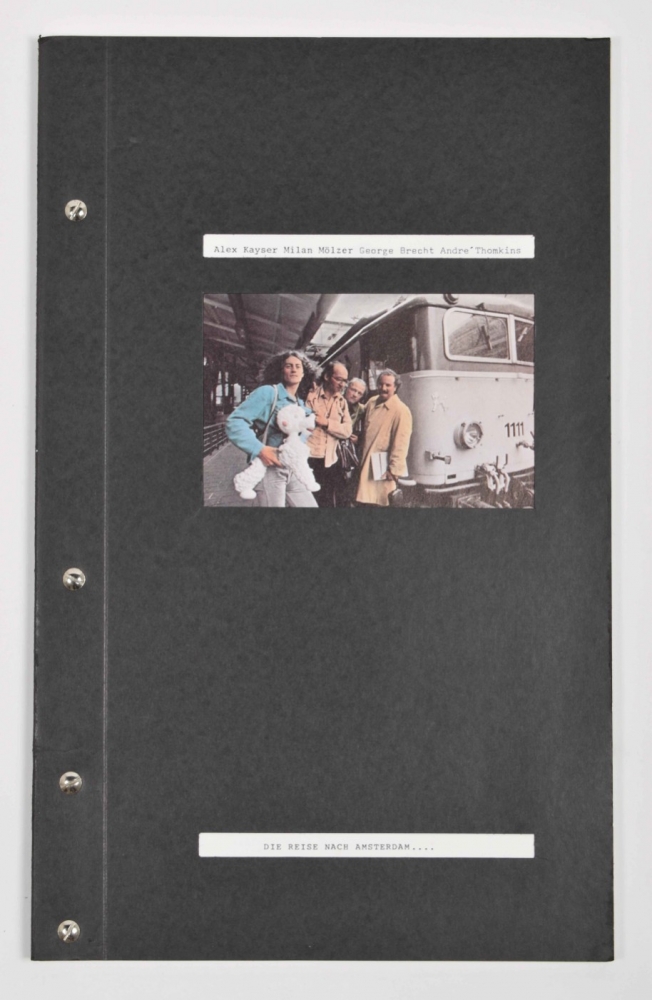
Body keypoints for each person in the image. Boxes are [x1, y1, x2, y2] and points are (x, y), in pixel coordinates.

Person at [225, 351, 318, 507]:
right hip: (269, 470)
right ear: (281, 371)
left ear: (304, 373)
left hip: (293, 468)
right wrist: (259, 449)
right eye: (288, 366)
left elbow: (299, 434)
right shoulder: (268, 393)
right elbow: (235, 421)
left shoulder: (299, 403)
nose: (294, 369)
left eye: (298, 366)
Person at [356, 369, 413, 507]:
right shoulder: (371, 402)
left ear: (395, 387)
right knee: (366, 502)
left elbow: (401, 443)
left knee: (380, 502)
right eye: (381, 384)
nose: (383, 388)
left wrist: (394, 470)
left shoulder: (401, 410)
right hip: (366, 460)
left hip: (382, 467)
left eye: (388, 385)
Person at [306, 361, 352, 507]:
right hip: (309, 458)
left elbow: (347, 431)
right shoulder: (311, 395)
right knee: (307, 501)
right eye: (338, 379)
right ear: (326, 376)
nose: (342, 384)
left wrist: (326, 423)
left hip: (330, 460)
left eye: (345, 381)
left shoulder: (342, 402)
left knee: (326, 501)